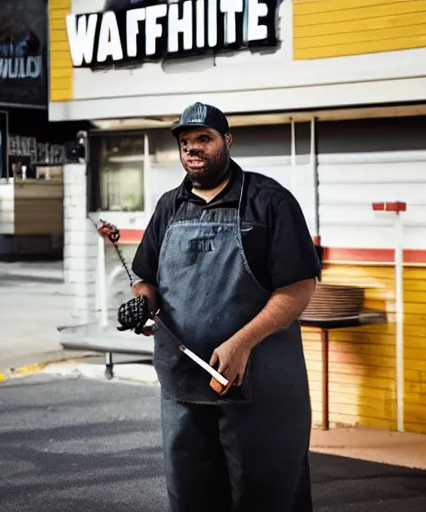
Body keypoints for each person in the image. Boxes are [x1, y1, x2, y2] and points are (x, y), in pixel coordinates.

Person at [130, 102, 321, 512]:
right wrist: (140, 304)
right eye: (185, 142)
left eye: (203, 139)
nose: (193, 149)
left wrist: (242, 342)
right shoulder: (169, 206)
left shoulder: (269, 202)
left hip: (260, 389)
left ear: (227, 141)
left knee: (264, 497)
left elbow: (300, 288)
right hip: (184, 388)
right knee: (192, 498)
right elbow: (145, 279)